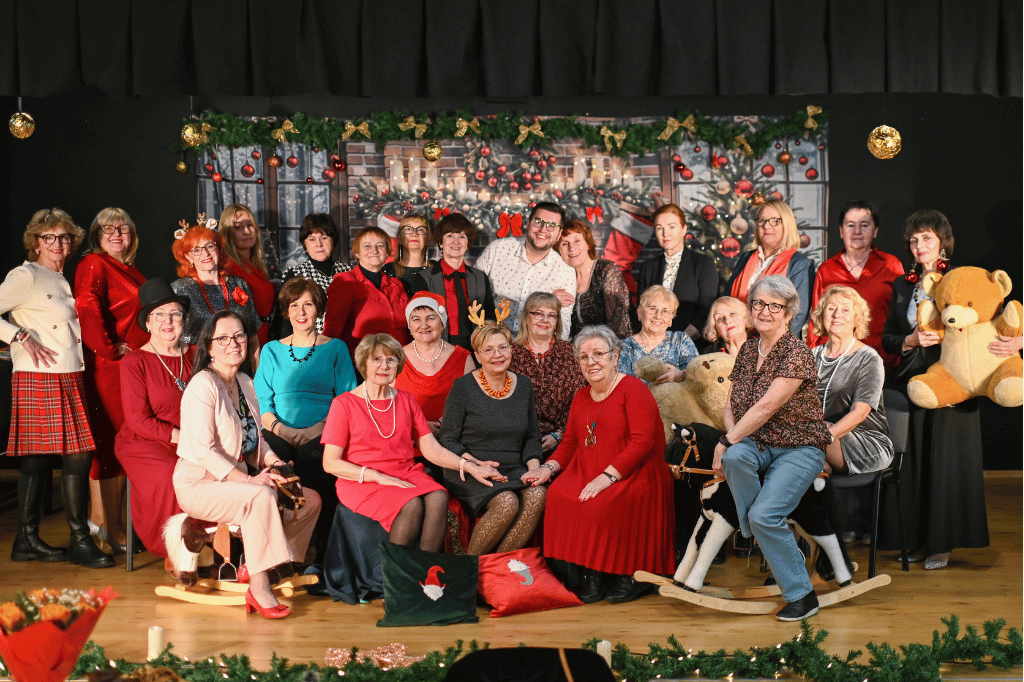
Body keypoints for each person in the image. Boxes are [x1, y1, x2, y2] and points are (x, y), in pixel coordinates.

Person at [879, 210, 1006, 570]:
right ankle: (916, 540)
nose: (919, 245)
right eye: (913, 240)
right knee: (914, 466)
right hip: (913, 382)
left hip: (955, 383)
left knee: (947, 464)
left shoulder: (964, 279)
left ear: (943, 243)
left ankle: (942, 545)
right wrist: (910, 340)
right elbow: (888, 338)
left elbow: (993, 318)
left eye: (927, 238)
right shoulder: (902, 285)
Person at [174, 310, 321, 619]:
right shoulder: (202, 385)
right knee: (261, 495)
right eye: (223, 338)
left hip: (237, 482)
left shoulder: (244, 382)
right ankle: (259, 585)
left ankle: (275, 567)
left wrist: (276, 463)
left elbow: (257, 440)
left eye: (239, 336)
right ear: (210, 347)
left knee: (310, 501)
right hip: (199, 483)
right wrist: (251, 481)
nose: (233, 343)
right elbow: (203, 451)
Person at [523, 326, 675, 604]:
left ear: (614, 356)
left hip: (635, 472)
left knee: (600, 502)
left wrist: (607, 478)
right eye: (584, 357)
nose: (591, 361)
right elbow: (570, 442)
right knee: (558, 494)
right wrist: (548, 468)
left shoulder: (634, 389)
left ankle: (632, 574)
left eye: (598, 354)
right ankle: (593, 571)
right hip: (591, 468)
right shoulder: (582, 396)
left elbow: (642, 442)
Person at [712, 275, 832, 621]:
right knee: (736, 457)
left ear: (789, 313)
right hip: (757, 443)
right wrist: (732, 440)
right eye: (758, 303)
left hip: (800, 448)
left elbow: (766, 407)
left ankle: (802, 596)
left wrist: (725, 441)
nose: (764, 311)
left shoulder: (796, 353)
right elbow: (731, 404)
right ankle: (775, 542)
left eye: (774, 306)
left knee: (763, 515)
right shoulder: (749, 349)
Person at [1, 208, 113, 568]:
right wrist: (18, 336)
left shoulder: (62, 278)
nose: (57, 243)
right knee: (63, 458)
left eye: (64, 237)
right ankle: (74, 540)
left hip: (69, 374)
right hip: (39, 376)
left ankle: (27, 540)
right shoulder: (25, 276)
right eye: (48, 237)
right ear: (36, 242)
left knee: (49, 459)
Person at [320, 334, 504, 554]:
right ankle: (395, 572)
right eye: (376, 359)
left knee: (439, 497)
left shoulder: (406, 399)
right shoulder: (343, 404)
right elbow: (330, 463)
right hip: (362, 479)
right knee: (412, 504)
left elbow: (431, 448)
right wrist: (377, 476)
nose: (384, 366)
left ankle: (424, 570)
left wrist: (469, 466)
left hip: (404, 472)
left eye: (391, 360)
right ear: (363, 363)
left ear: (398, 364)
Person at [254, 278, 358, 557]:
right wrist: (283, 430)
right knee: (275, 463)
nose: (301, 312)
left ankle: (322, 551)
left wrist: (319, 429)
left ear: (318, 309)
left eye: (308, 304)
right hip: (277, 430)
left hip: (325, 430)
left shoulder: (336, 348)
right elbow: (261, 403)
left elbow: (347, 400)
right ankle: (273, 549)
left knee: (314, 462)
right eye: (294, 305)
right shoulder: (271, 350)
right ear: (286, 311)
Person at [73, 207, 148, 554]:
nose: (117, 234)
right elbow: (86, 307)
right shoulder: (94, 263)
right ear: (96, 235)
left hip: (129, 368)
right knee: (111, 445)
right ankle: (108, 527)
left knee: (122, 444)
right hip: (109, 368)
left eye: (123, 228)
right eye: (108, 229)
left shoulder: (128, 268)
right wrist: (107, 349)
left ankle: (109, 524)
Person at [439, 323, 546, 554]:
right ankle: (469, 567)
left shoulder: (524, 385)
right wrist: (475, 464)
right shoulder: (462, 387)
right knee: (507, 502)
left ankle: (496, 567)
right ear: (477, 356)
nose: (497, 355)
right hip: (472, 468)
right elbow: (447, 439)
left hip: (513, 467)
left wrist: (534, 470)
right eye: (488, 350)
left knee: (538, 494)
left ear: (511, 350)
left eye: (502, 347)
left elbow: (532, 436)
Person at [115, 279, 193, 559]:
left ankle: (210, 544)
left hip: (192, 439)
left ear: (183, 320)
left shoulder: (197, 354)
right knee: (172, 474)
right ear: (147, 323)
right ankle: (176, 551)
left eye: (174, 314)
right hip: (145, 441)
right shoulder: (134, 362)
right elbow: (138, 420)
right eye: (158, 315)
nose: (167, 321)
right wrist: (183, 439)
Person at [806, 201, 905, 368]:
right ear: (841, 231)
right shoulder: (826, 269)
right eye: (850, 225)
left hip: (883, 361)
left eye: (864, 225)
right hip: (835, 364)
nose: (857, 231)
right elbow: (815, 322)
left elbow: (902, 317)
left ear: (875, 230)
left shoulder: (891, 265)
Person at [809, 286, 893, 474]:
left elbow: (860, 413)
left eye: (846, 309)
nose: (837, 314)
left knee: (811, 432)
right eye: (831, 308)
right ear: (822, 315)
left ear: (857, 319)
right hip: (817, 436)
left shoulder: (869, 358)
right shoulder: (811, 356)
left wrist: (822, 438)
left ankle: (819, 466)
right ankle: (820, 468)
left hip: (865, 443)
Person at [475, 201, 575, 339]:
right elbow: (472, 295)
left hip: (535, 345)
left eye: (552, 226)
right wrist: (548, 300)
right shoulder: (497, 250)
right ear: (528, 224)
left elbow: (562, 326)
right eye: (538, 222)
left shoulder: (565, 272)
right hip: (492, 338)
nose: (543, 229)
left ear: (559, 234)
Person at [509, 292, 586, 455]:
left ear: (557, 321)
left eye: (552, 315)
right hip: (516, 442)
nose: (545, 320)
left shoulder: (570, 352)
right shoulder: (509, 353)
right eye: (538, 314)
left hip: (564, 441)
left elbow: (580, 398)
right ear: (526, 317)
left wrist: (560, 434)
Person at [727, 199, 815, 336]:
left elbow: (797, 315)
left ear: (787, 225)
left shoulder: (800, 264)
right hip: (735, 340)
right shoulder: (745, 258)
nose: (766, 226)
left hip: (777, 344)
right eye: (761, 221)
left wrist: (761, 344)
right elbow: (727, 301)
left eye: (775, 221)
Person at [393, 291, 474, 439]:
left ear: (442, 323)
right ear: (409, 326)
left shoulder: (463, 358)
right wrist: (419, 426)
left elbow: (472, 404)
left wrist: (441, 424)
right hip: (406, 440)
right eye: (416, 319)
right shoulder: (394, 358)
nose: (424, 325)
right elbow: (384, 406)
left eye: (431, 318)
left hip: (454, 440)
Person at [634, 204, 719, 343]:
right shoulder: (648, 267)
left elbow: (707, 312)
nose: (665, 233)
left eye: (671, 227)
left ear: (684, 229)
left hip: (692, 345)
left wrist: (678, 343)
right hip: (653, 344)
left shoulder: (703, 264)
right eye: (659, 228)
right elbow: (642, 311)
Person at [411, 213, 495, 351]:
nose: (456, 242)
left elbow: (490, 318)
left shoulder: (480, 277)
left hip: (476, 347)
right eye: (450, 236)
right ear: (441, 242)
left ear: (467, 243)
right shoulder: (425, 278)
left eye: (462, 236)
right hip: (439, 348)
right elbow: (419, 321)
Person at [170, 221, 260, 349]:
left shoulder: (239, 284)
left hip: (237, 356)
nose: (205, 253)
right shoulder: (179, 289)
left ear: (218, 248)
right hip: (197, 359)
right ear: (188, 257)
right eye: (196, 250)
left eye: (210, 246)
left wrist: (256, 362)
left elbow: (252, 336)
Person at [323, 227, 411, 356]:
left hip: (400, 359)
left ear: (387, 252)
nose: (374, 250)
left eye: (380, 245)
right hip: (361, 361)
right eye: (367, 246)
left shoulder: (396, 285)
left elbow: (409, 329)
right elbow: (332, 332)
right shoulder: (345, 282)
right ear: (357, 253)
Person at [279, 213, 353, 333]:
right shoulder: (295, 274)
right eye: (312, 239)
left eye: (324, 238)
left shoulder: (350, 272)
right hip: (309, 341)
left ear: (333, 240)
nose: (319, 244)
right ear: (305, 244)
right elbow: (285, 321)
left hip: (346, 340)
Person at [557, 219, 631, 338]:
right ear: (559, 250)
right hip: (573, 346)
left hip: (607, 345)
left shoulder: (606, 270)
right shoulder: (561, 277)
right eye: (564, 244)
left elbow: (620, 326)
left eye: (577, 241)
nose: (571, 248)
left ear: (588, 244)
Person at [219, 204, 276, 345]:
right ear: (228, 233)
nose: (247, 231)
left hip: (264, 336)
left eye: (250, 225)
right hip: (245, 340)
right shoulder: (227, 268)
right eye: (238, 227)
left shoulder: (256, 265)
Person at [618, 285, 698, 383]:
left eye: (665, 311)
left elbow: (698, 374)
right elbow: (620, 385)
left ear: (671, 319)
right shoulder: (623, 347)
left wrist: (681, 375)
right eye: (652, 308)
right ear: (639, 313)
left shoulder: (680, 340)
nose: (658, 316)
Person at [392, 213, 434, 294]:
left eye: (420, 230)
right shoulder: (387, 271)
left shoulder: (438, 270)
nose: (414, 234)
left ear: (428, 237)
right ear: (400, 237)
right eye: (408, 229)